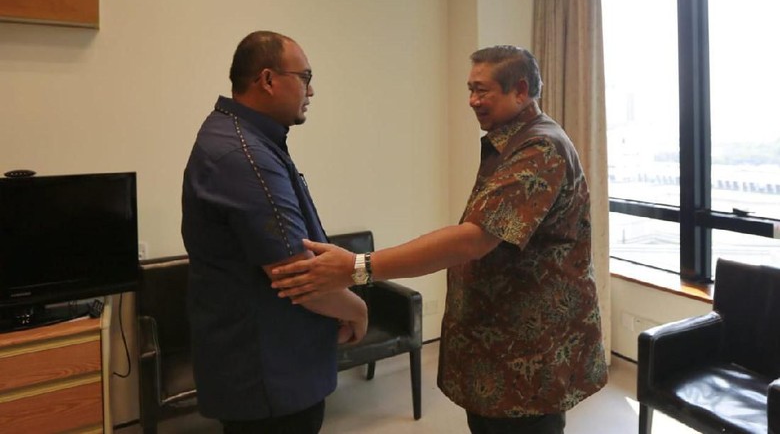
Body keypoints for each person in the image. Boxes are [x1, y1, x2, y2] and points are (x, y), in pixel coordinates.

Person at [270, 45, 608, 434]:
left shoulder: (540, 148)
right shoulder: (510, 142)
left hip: (528, 357)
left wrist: (357, 267)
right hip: (499, 349)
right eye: (470, 89)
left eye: (482, 90)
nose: (472, 101)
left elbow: (472, 240)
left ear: (519, 90)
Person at [181, 30, 367, 434]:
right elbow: (298, 275)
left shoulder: (240, 137)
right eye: (305, 77)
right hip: (269, 374)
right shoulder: (243, 155)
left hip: (271, 362)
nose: (310, 90)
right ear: (267, 79)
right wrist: (357, 309)